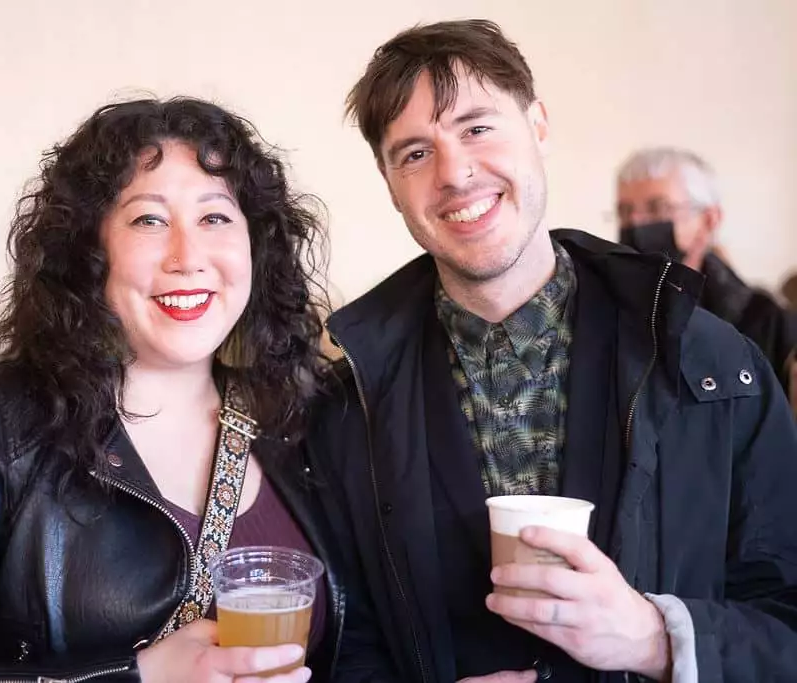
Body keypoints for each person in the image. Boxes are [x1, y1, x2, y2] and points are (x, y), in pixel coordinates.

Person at [309, 19, 797, 683]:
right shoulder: (348, 407)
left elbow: (786, 622)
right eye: (415, 153)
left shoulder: (711, 365)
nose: (455, 173)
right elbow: (343, 645)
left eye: (477, 128)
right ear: (390, 184)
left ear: (538, 126)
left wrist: (657, 639)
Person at [0, 99, 341, 682]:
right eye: (149, 220)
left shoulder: (301, 419)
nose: (188, 257)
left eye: (215, 218)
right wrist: (138, 677)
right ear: (88, 251)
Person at [616, 147, 797, 396]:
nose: (636, 222)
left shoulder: (766, 324)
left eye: (658, 207)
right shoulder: (600, 310)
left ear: (709, 220)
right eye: (625, 211)